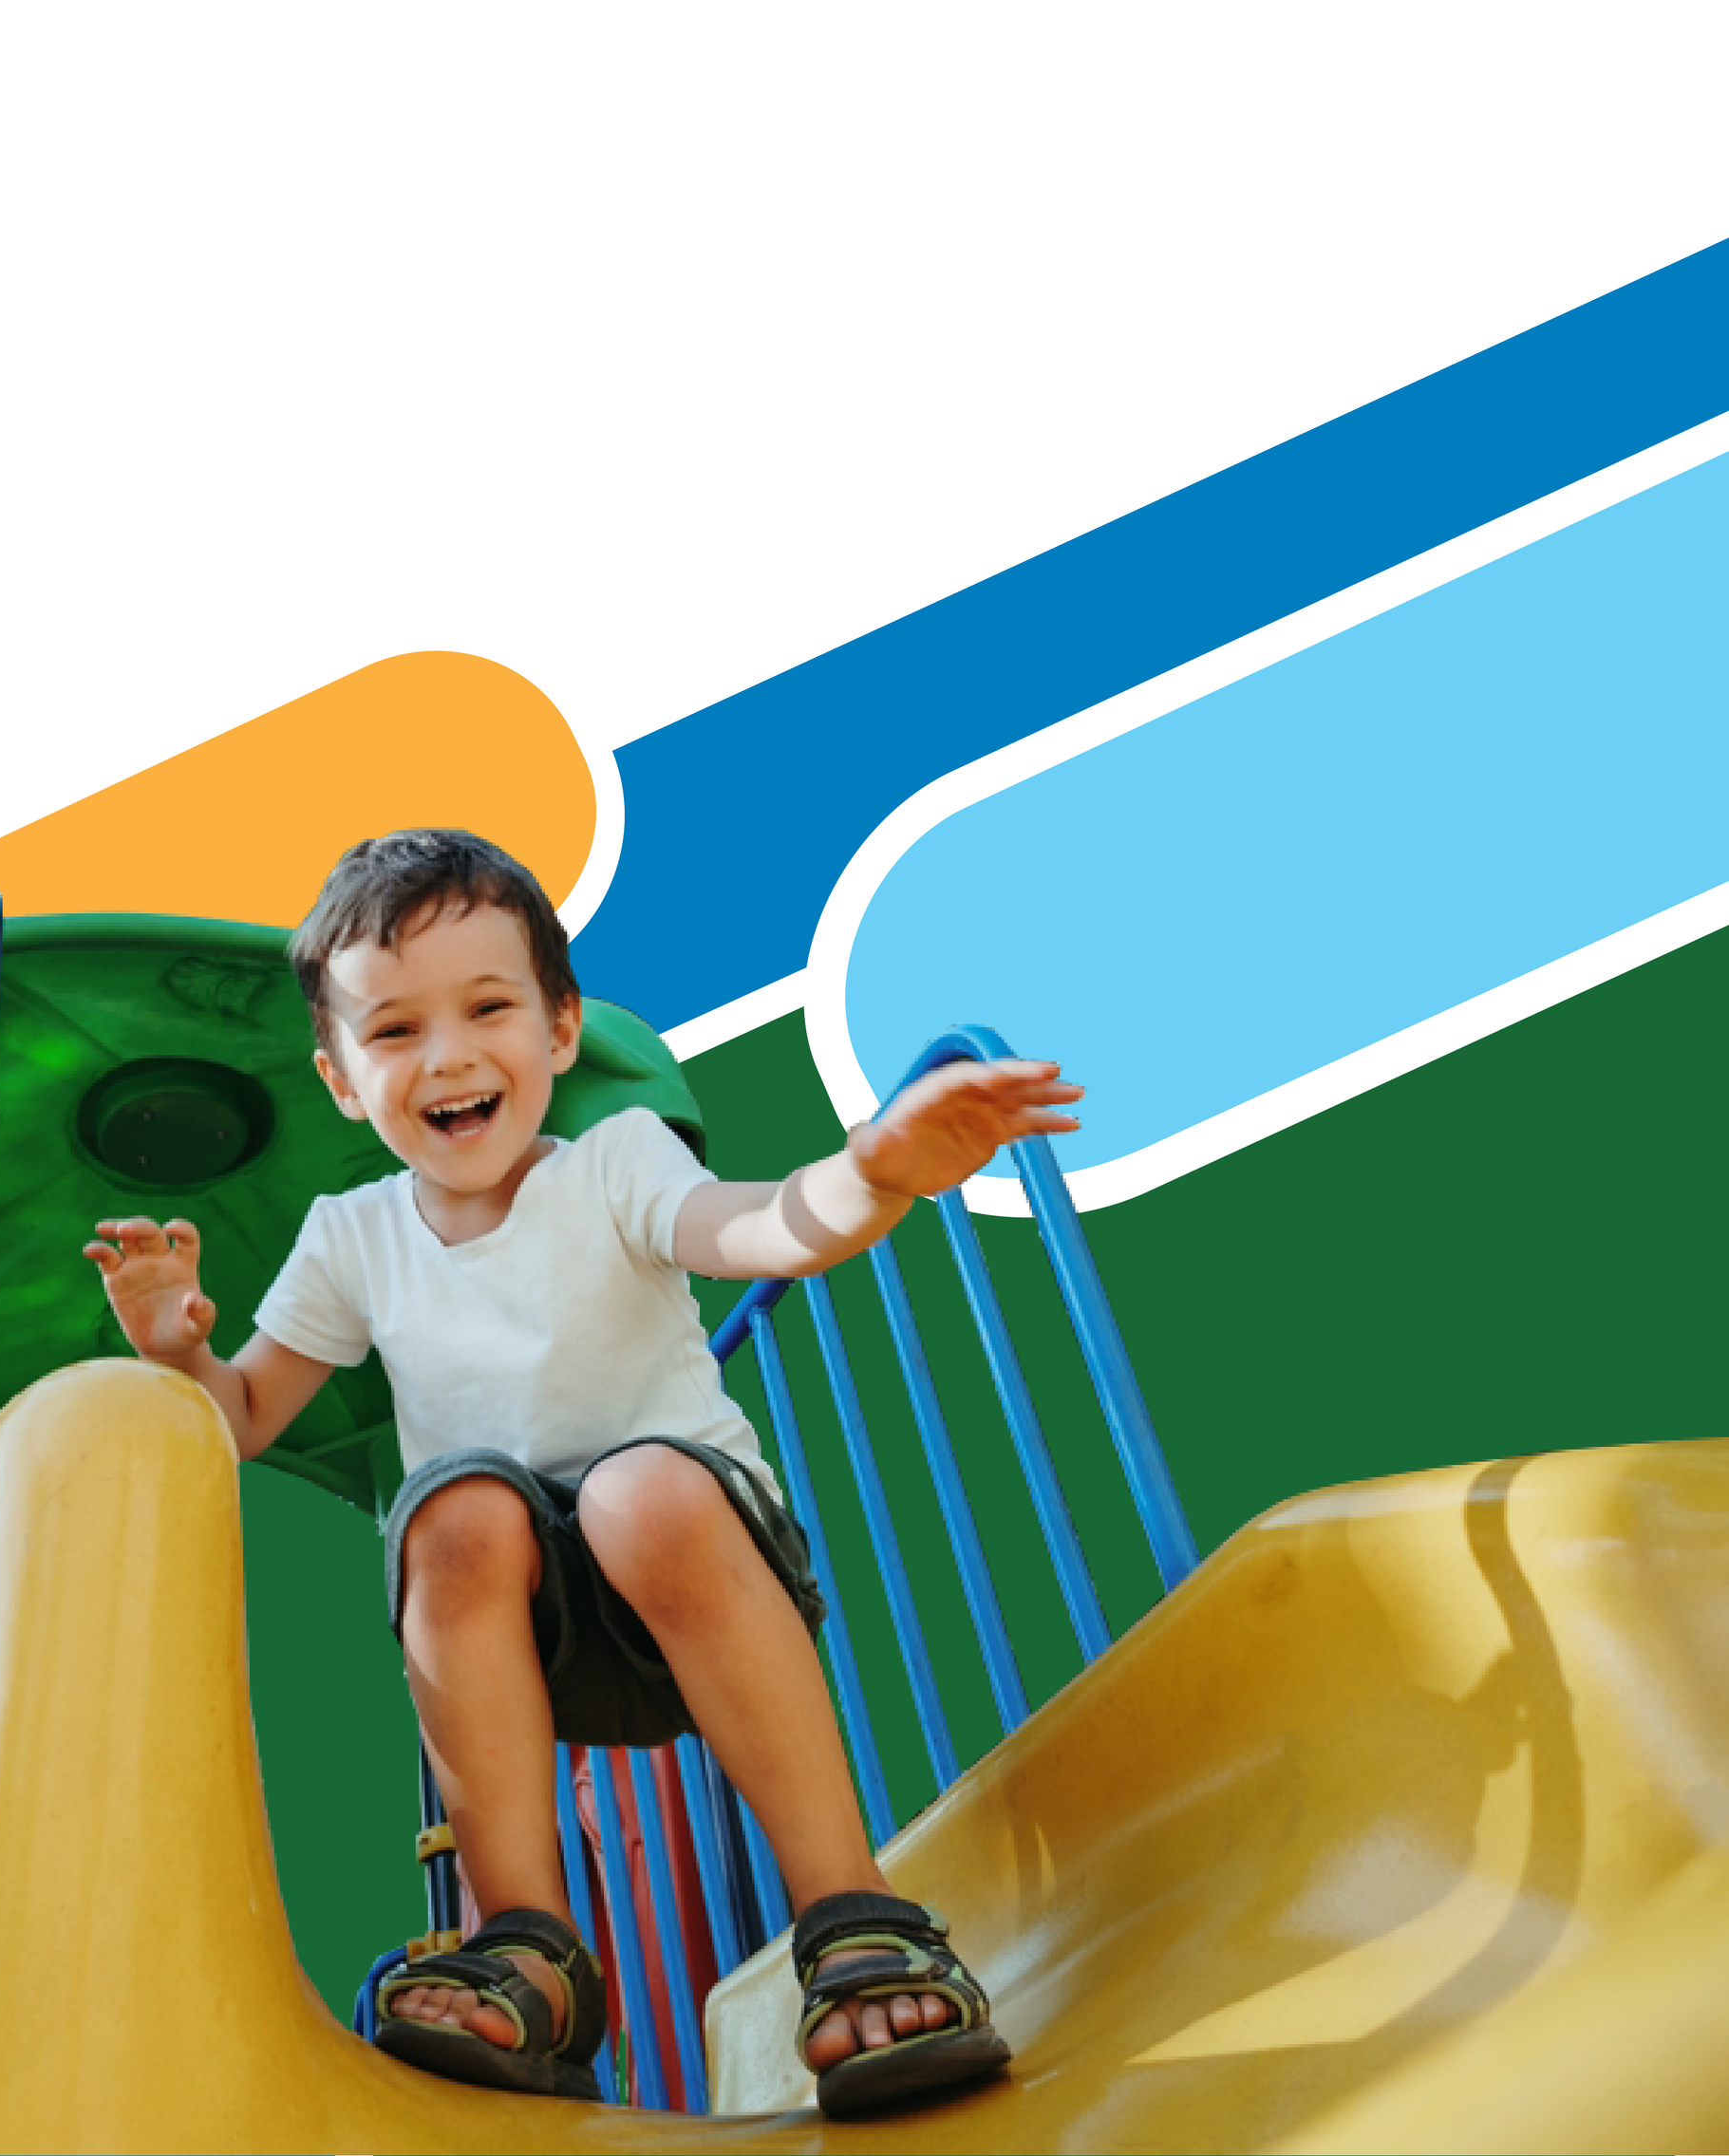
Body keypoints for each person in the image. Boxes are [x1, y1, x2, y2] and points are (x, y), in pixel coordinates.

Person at [83, 829, 1081, 2118]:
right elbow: (244, 1417)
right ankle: (531, 1949)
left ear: (560, 1028)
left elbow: (756, 1228)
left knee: (633, 1491)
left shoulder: (618, 1161)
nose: (447, 1056)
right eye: (394, 1031)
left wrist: (868, 1177)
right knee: (453, 1511)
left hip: (698, 1571)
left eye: (487, 1008)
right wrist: (179, 1350)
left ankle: (852, 1909)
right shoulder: (350, 1237)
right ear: (341, 1079)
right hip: (526, 1638)